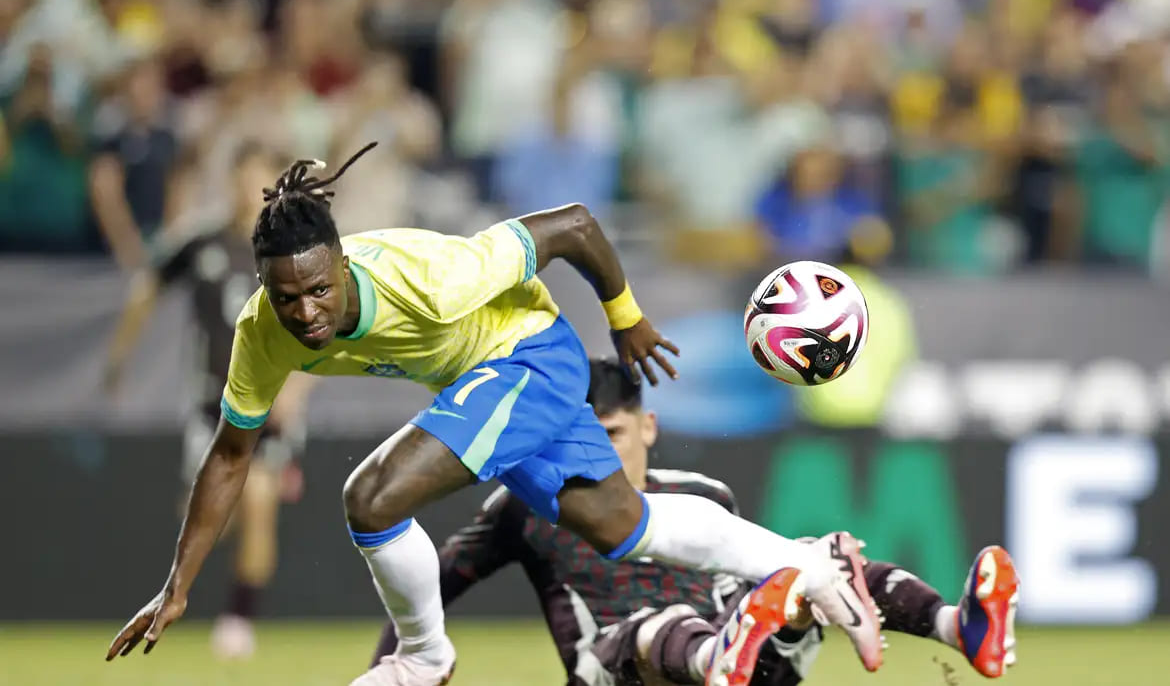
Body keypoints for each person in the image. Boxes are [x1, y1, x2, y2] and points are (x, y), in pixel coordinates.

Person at [105, 142, 885, 685]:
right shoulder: (261, 333)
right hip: (489, 379)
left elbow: (575, 225)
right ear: (263, 288)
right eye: (287, 297)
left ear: (343, 263)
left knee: (371, 498)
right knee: (624, 526)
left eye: (319, 289)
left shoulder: (431, 278)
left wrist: (625, 317)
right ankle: (813, 565)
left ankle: (424, 658)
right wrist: (178, 586)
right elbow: (230, 454)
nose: (306, 312)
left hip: (528, 356)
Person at [370, 358, 1021, 685]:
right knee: (660, 624)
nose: (598, 454)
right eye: (580, 439)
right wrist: (401, 667)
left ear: (648, 427)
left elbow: (743, 583)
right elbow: (434, 582)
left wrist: (797, 594)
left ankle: (959, 627)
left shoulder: (701, 495)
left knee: (811, 560)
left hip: (740, 662)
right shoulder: (527, 506)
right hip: (614, 671)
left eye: (612, 434)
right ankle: (718, 656)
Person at [103, 142, 314, 659]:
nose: (250, 191)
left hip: (268, 404)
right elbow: (147, 287)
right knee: (207, 517)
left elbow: (319, 333)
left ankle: (239, 620)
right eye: (243, 178)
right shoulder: (200, 241)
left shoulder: (293, 252)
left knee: (259, 500)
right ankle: (187, 582)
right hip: (211, 407)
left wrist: (296, 391)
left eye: (261, 182)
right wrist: (119, 358)